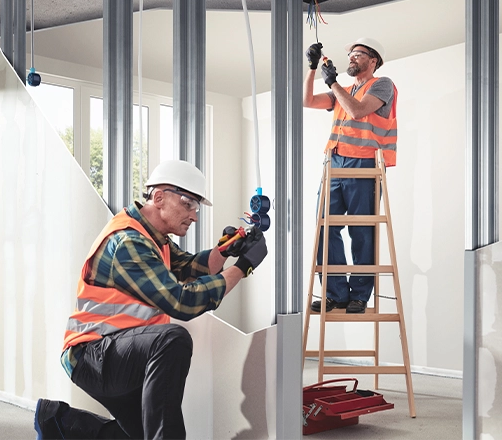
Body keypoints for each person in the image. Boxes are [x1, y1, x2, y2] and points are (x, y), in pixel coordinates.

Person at [33, 159, 268, 440]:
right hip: (93, 354)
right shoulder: (130, 242)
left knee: (141, 434)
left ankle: (57, 421)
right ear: (158, 197)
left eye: (196, 207)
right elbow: (181, 303)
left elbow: (193, 267)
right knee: (172, 339)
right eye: (188, 203)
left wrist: (226, 250)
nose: (194, 215)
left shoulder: (155, 239)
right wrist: (243, 267)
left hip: (122, 351)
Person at [303, 37, 398, 315]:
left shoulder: (382, 84)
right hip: (334, 164)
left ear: (373, 61)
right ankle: (335, 294)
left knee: (362, 232)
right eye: (351, 55)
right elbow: (306, 100)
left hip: (364, 165)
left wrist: (332, 83)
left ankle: (359, 295)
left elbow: (357, 111)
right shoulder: (343, 91)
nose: (352, 58)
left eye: (359, 54)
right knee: (325, 227)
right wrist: (311, 68)